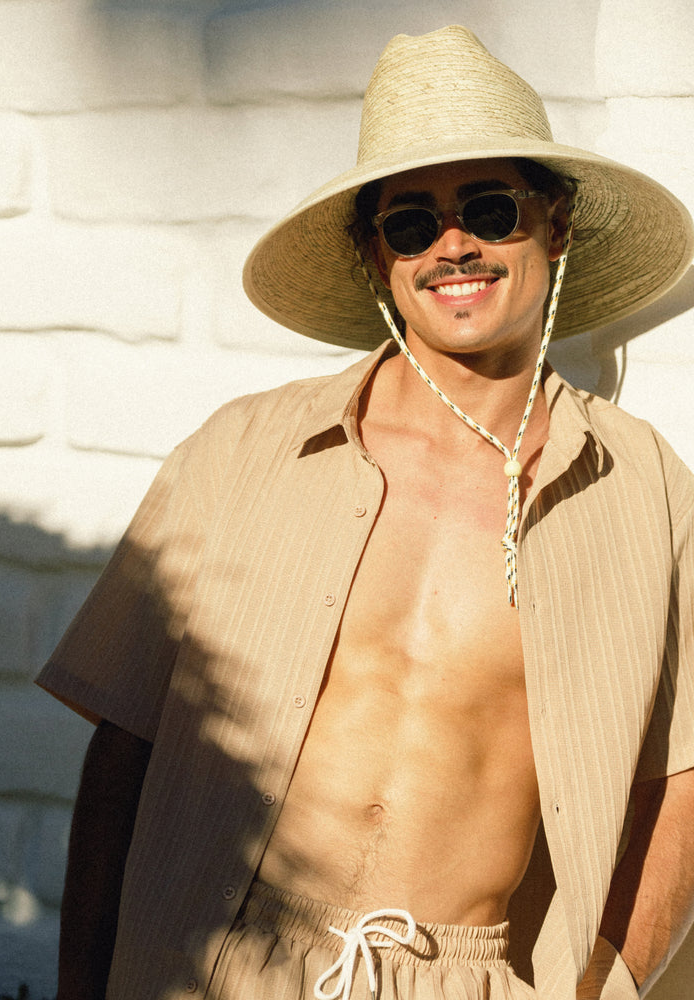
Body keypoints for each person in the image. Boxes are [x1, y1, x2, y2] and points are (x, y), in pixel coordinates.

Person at [37, 25, 694, 1000]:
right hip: (211, 961)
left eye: (486, 207)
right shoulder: (239, 454)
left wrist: (605, 984)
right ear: (371, 254)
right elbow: (120, 751)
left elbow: (680, 782)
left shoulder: (640, 491)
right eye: (409, 222)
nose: (453, 244)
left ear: (552, 225)